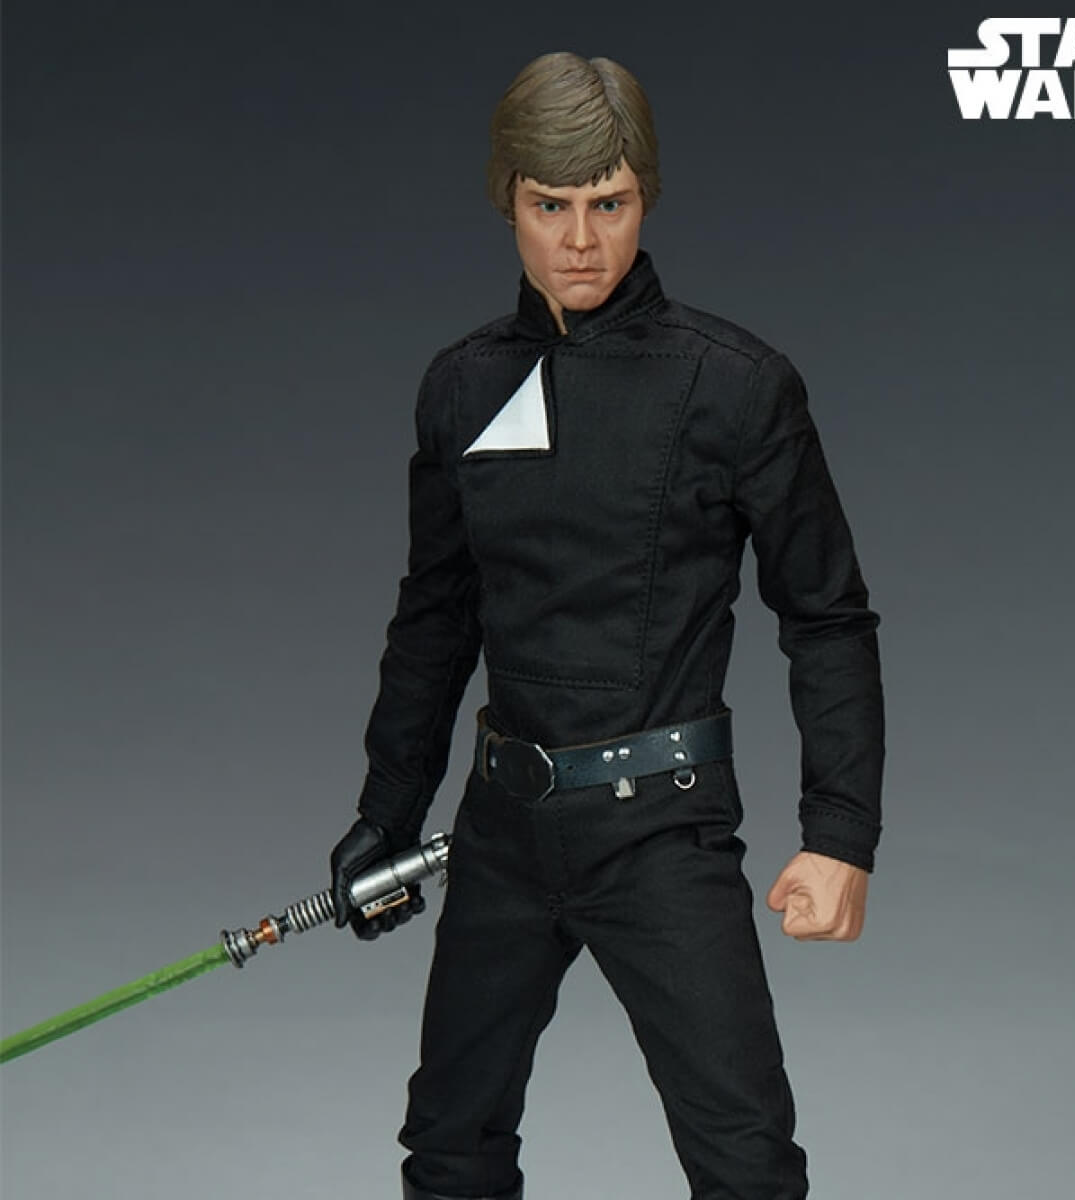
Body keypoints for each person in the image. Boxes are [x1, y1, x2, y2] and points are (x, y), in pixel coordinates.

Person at [330, 51, 884, 1200]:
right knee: (448, 1147)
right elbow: (435, 616)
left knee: (744, 1161)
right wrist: (388, 812)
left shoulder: (736, 386)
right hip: (502, 831)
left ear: (646, 201)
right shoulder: (461, 386)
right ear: (509, 201)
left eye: (610, 205)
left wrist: (840, 834)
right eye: (551, 207)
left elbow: (827, 615)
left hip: (660, 831)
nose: (581, 241)